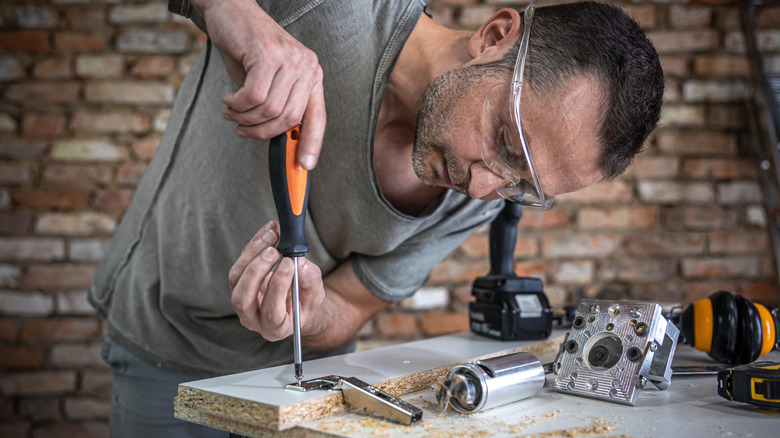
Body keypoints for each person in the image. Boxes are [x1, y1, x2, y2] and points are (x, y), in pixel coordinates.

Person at [88, 0, 664, 436]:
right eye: (506, 143)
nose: (487, 186)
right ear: (494, 36)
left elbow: (350, 306)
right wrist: (237, 15)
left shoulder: (475, 195)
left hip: (291, 385)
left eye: (522, 186)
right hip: (160, 354)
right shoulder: (338, 10)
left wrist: (306, 313)